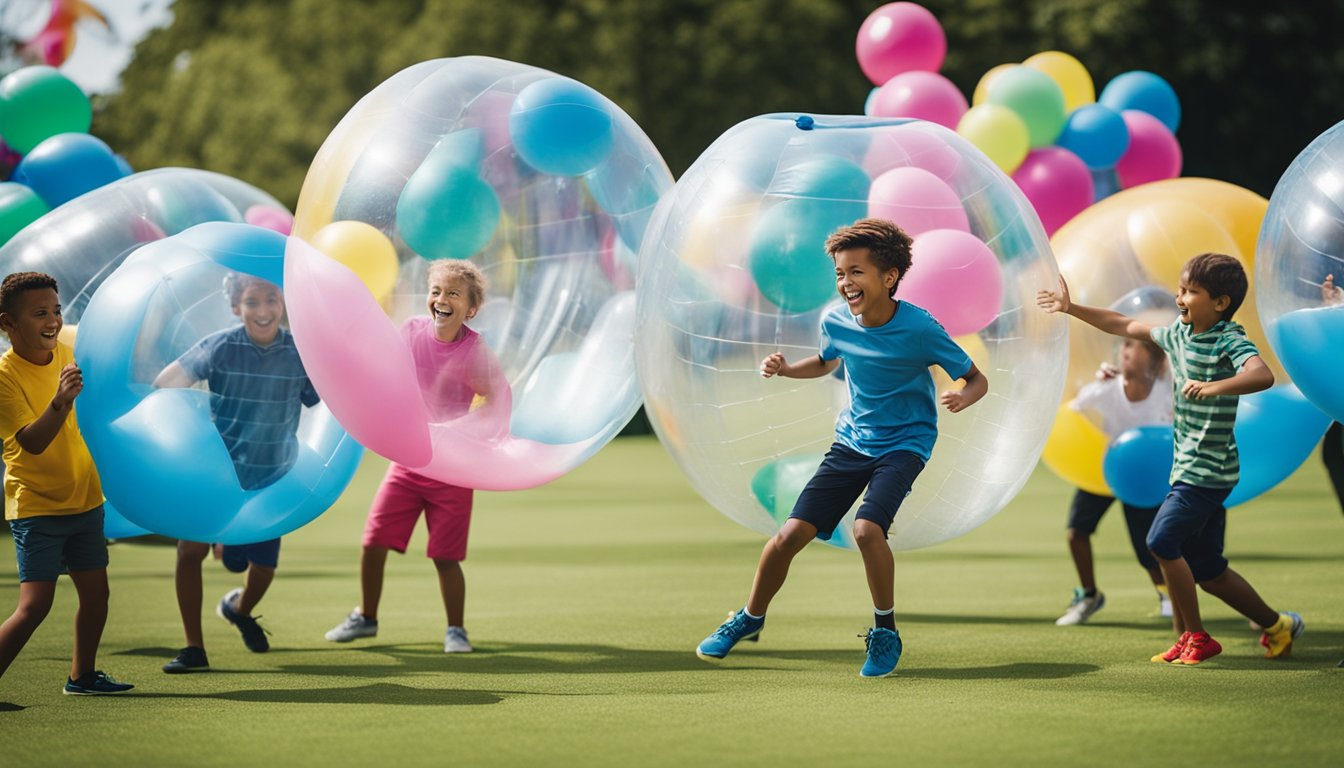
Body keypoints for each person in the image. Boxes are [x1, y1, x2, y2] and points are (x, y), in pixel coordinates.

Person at [695, 218, 988, 678]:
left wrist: (962, 397)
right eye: (839, 273)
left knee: (868, 530)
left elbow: (976, 378)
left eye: (856, 272)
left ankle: (886, 632)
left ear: (889, 277)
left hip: (905, 445)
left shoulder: (920, 327)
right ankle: (749, 619)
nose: (845, 282)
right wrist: (789, 369)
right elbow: (829, 360)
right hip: (852, 443)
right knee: (788, 537)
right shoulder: (834, 318)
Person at [1037, 253, 1303, 664]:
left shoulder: (1229, 338)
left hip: (1207, 471)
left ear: (1220, 303)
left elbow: (1261, 374)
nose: (1180, 298)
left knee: (1160, 541)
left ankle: (1195, 636)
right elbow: (1124, 324)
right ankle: (1278, 626)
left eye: (1190, 291)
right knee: (1208, 570)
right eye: (1180, 289)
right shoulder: (1179, 334)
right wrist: (1071, 308)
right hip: (1188, 468)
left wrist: (1214, 387)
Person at [325, 260, 508, 654]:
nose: (442, 300)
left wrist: (464, 430)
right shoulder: (410, 332)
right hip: (408, 465)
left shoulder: (474, 350)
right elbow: (382, 370)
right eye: (436, 291)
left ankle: (456, 631)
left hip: (452, 471)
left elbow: (497, 398)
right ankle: (366, 618)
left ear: (471, 309)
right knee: (373, 542)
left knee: (445, 556)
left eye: (454, 294)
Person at [153, 273, 319, 673]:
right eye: (251, 302)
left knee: (261, 569)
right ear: (235, 307)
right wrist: (182, 427)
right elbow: (165, 384)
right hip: (217, 473)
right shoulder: (221, 347)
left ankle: (239, 609)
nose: (263, 311)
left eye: (271, 301)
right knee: (189, 551)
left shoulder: (301, 353)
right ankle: (194, 647)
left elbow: (330, 404)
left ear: (283, 304)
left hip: (270, 476)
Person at [0, 272, 134, 695]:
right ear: (8, 324)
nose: (53, 321)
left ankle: (82, 675)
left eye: (56, 310)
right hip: (37, 506)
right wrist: (61, 400)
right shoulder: (4, 376)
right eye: (40, 313)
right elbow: (33, 443)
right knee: (35, 605)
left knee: (97, 596)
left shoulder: (73, 352)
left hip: (85, 501)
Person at [1056, 338, 1173, 626]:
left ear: (1154, 360)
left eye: (1134, 346)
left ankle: (1168, 595)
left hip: (1143, 478)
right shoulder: (1107, 388)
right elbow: (1073, 410)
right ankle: (1089, 596)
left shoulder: (1165, 391)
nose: (1125, 351)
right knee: (1077, 532)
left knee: (1148, 548)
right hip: (1106, 471)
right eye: (1124, 346)